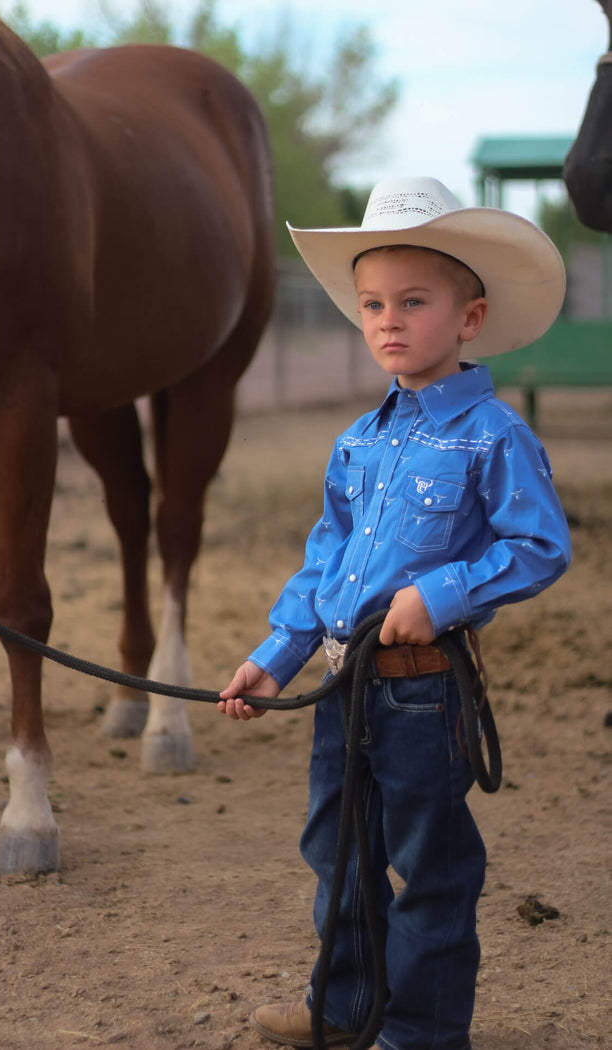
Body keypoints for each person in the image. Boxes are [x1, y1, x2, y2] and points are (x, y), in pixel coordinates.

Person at [218, 176, 571, 1050]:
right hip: (344, 687)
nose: (388, 321)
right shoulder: (359, 442)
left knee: (430, 864)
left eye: (413, 302)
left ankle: (418, 1032)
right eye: (373, 303)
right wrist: (275, 656)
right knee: (335, 850)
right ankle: (342, 1006)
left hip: (422, 694)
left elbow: (539, 547)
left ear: (470, 318)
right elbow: (326, 564)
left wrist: (438, 595)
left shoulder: (493, 434)